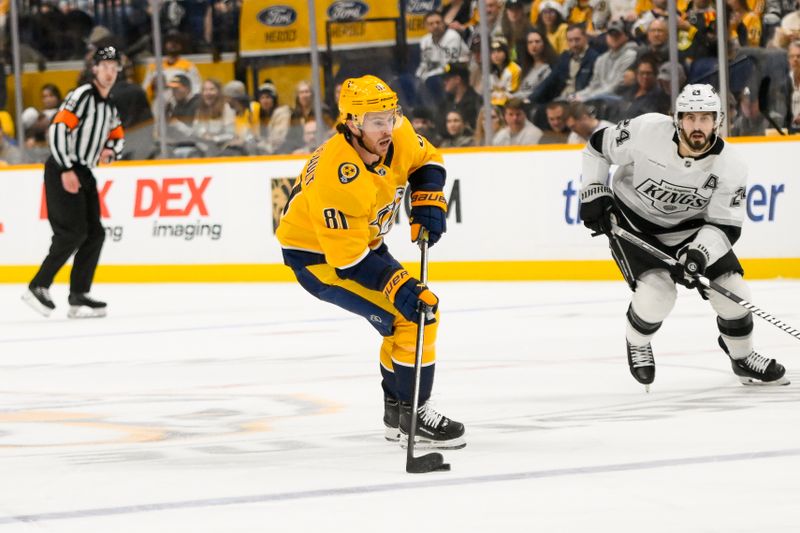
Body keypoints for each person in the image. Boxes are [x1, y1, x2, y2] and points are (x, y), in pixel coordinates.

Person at [276, 75, 466, 449]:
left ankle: (399, 416)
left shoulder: (398, 132)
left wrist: (427, 194)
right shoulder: (337, 174)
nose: (388, 127)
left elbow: (426, 159)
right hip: (321, 260)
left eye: (391, 115)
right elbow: (347, 260)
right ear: (352, 124)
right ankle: (415, 413)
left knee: (406, 319)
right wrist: (397, 285)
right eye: (376, 121)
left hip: (364, 245)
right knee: (416, 312)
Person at [578, 83, 789, 389]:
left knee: (736, 295)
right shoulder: (647, 130)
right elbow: (597, 147)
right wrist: (593, 190)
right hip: (633, 223)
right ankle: (638, 342)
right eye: (690, 118)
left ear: (718, 121)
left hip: (692, 231)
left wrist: (698, 254)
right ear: (676, 118)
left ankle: (742, 358)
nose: (697, 126)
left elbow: (725, 225)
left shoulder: (731, 165)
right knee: (658, 296)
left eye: (705, 118)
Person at [22, 46, 125, 319]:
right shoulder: (82, 96)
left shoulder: (109, 104)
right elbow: (57, 128)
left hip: (84, 169)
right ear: (94, 69)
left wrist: (110, 151)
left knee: (95, 233)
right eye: (105, 67)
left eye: (115, 67)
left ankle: (79, 294)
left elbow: (117, 135)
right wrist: (66, 168)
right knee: (72, 232)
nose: (110, 72)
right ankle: (38, 285)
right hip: (62, 166)